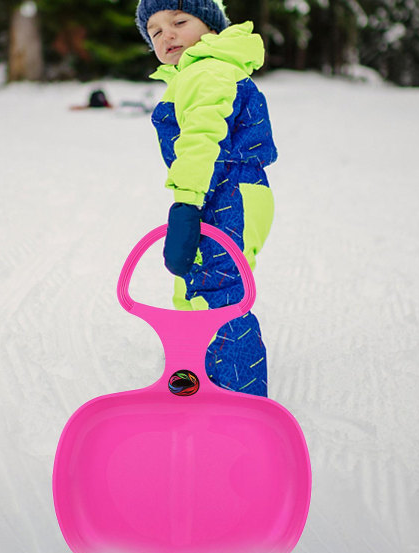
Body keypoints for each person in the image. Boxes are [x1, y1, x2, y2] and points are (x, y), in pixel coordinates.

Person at [136, 0, 277, 397]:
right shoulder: (196, 73)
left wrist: (186, 202)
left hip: (226, 192)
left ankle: (239, 395)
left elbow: (201, 141)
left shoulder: (207, 71)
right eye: (156, 31)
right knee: (197, 282)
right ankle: (197, 368)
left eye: (180, 21)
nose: (168, 35)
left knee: (220, 294)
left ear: (211, 29)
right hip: (226, 192)